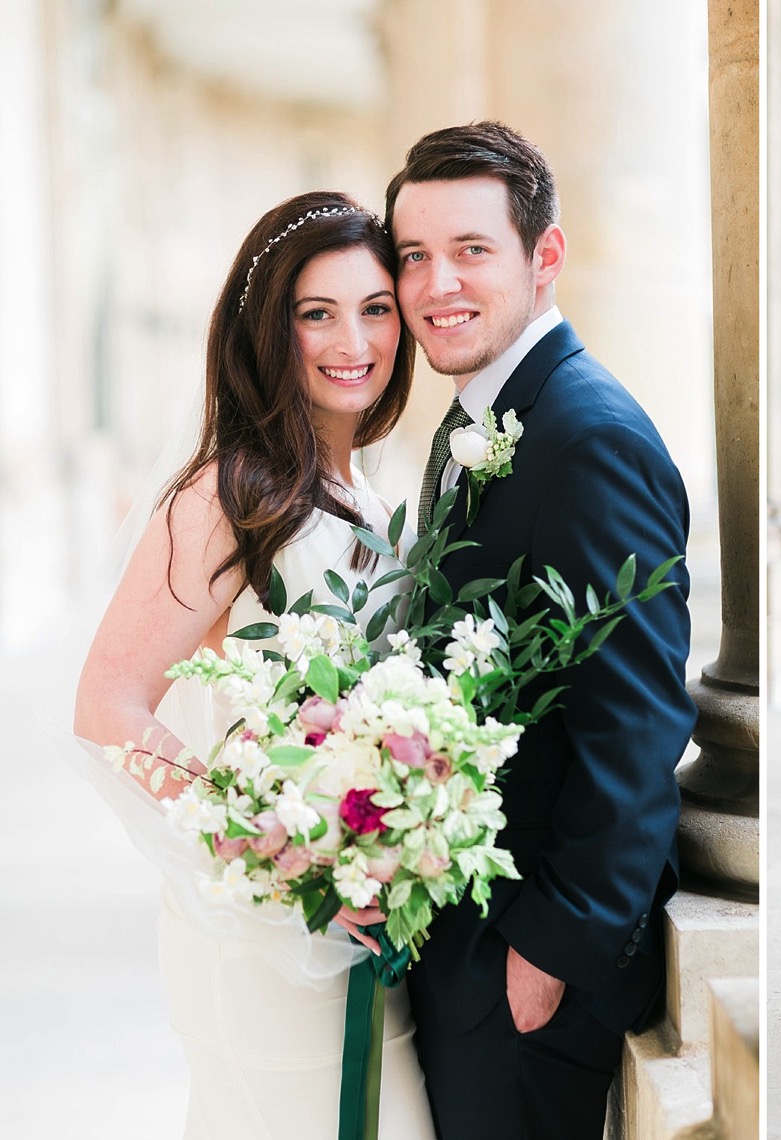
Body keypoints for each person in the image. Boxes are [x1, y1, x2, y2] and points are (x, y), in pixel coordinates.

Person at [72, 191, 437, 1136]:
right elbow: (108, 706)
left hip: (362, 920)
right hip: (270, 934)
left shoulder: (366, 485)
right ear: (269, 329)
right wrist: (280, 848)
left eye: (374, 308)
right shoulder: (228, 493)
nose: (351, 339)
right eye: (316, 313)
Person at [385, 122, 696, 1140]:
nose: (437, 285)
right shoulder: (487, 409)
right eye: (414, 256)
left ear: (544, 256)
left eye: (472, 250)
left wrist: (552, 950)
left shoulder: (585, 434)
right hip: (466, 943)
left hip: (525, 972)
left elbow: (637, 721)